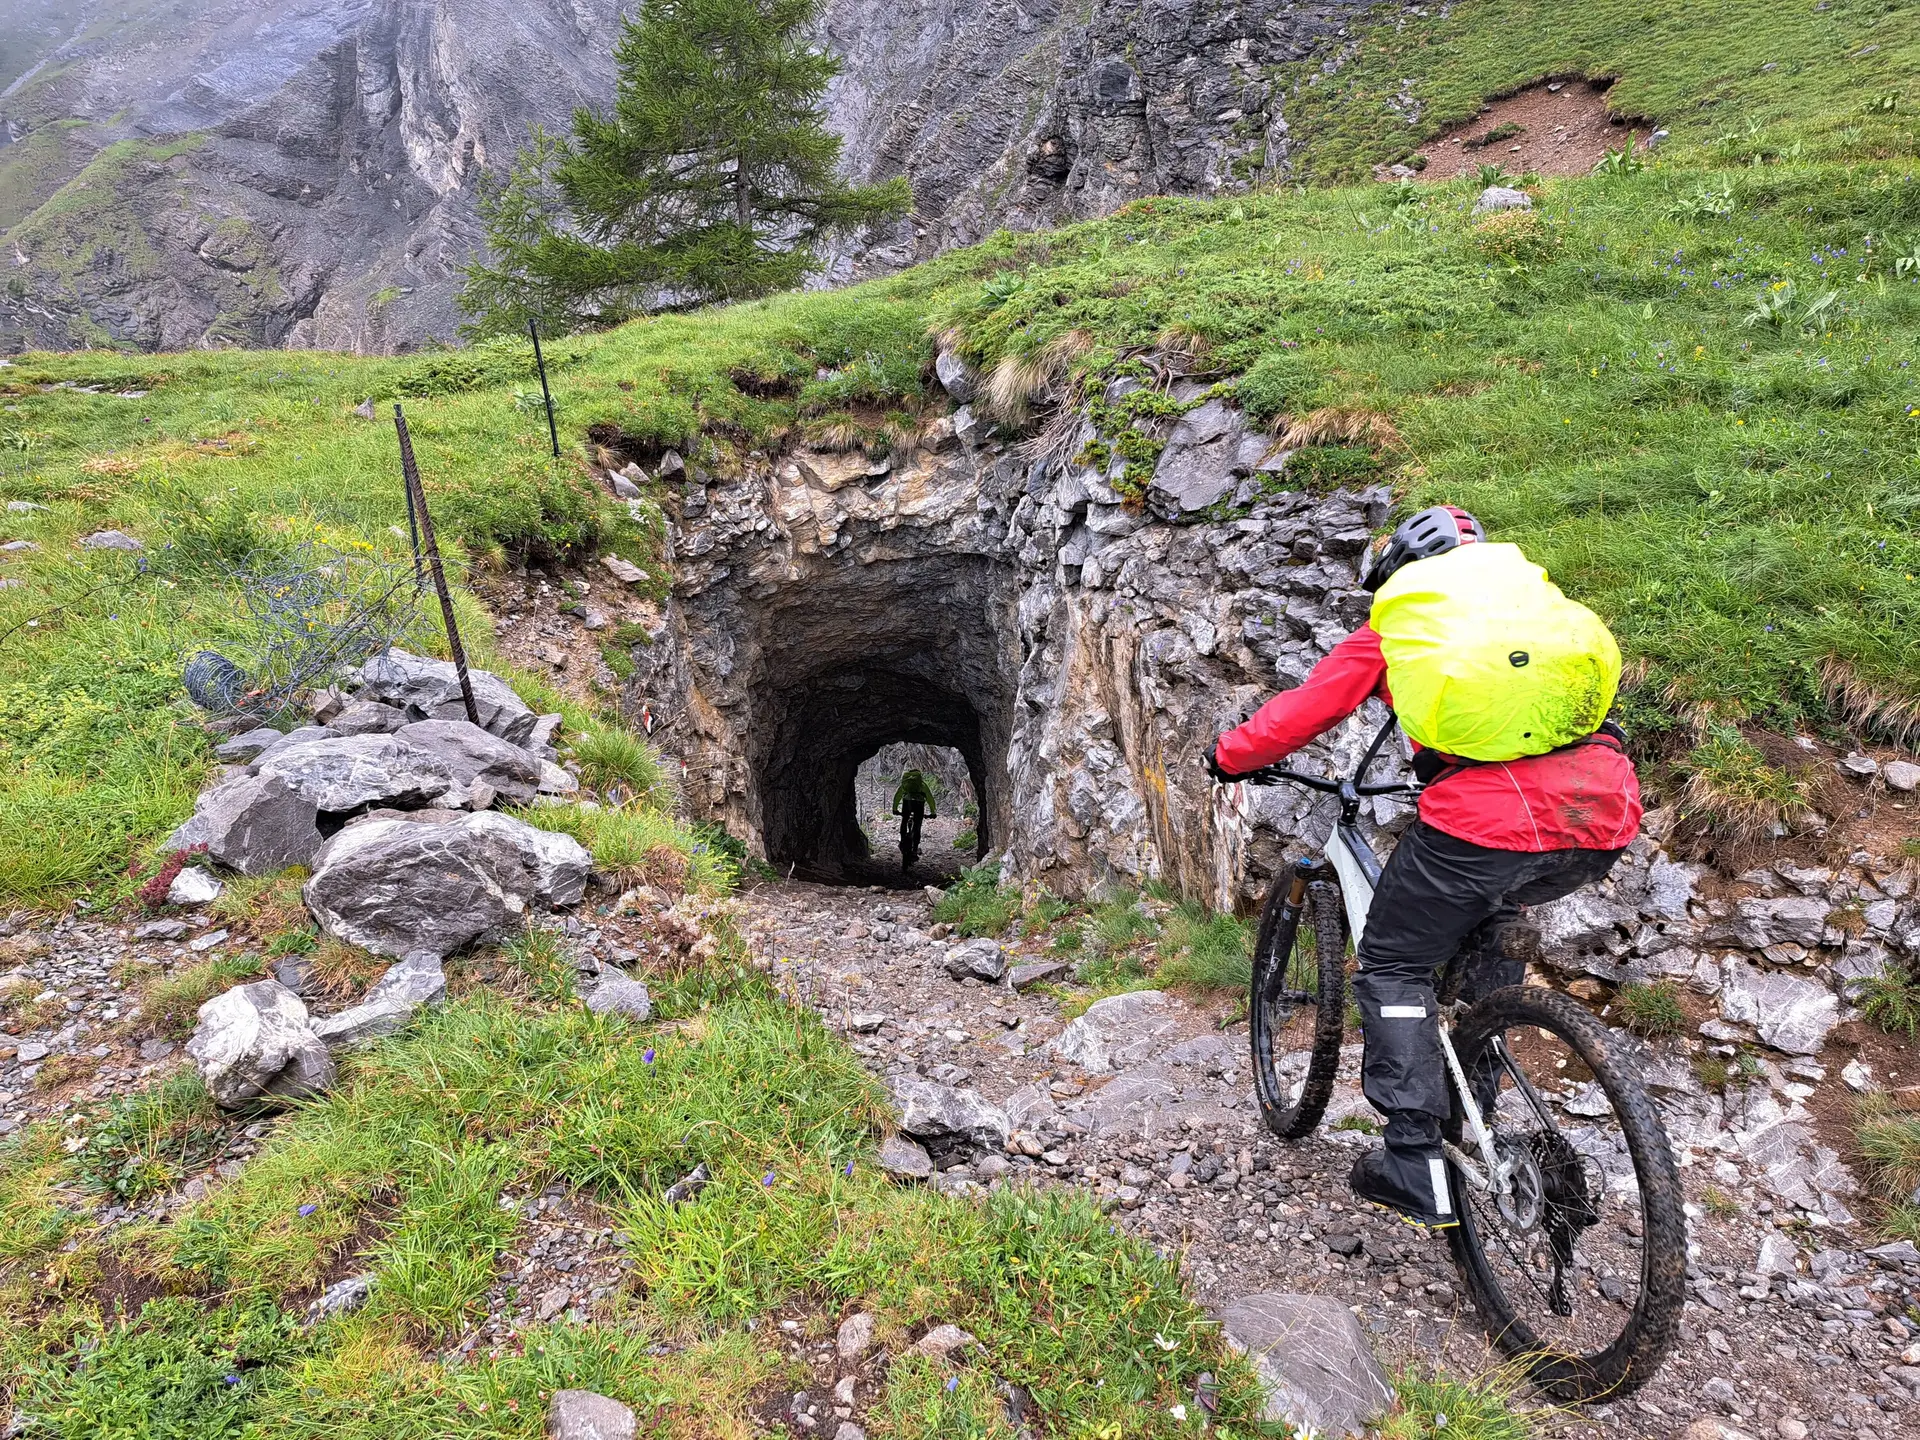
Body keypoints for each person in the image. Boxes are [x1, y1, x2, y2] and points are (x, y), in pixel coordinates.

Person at [1209, 506, 1641, 1228]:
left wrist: (1230, 756)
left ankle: (1415, 1158)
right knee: (1486, 941)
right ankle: (1477, 1111)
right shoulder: (1536, 612)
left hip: (1485, 820)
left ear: (1399, 573)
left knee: (1392, 967)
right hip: (1598, 813)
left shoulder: (1404, 624)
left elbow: (1304, 712)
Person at [892, 769, 937, 869]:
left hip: (906, 803)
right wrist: (933, 812)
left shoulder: (905, 784)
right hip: (919, 805)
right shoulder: (922, 785)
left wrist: (894, 809)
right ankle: (915, 849)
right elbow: (930, 799)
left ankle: (903, 838)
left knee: (904, 820)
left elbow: (897, 796)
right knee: (917, 825)